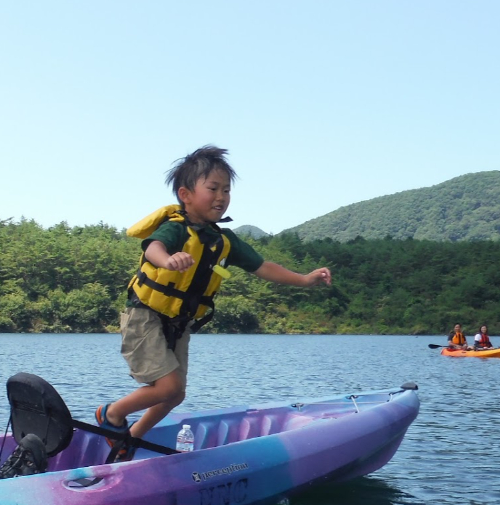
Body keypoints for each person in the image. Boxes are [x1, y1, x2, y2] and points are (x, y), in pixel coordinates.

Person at [95, 146, 332, 461]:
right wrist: (168, 260)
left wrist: (304, 279)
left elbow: (263, 267)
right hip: (145, 317)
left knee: (175, 394)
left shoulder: (224, 241)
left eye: (226, 190)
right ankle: (111, 414)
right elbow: (153, 248)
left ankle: (130, 439)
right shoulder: (175, 228)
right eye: (213, 189)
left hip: (178, 324)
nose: (221, 197)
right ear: (186, 194)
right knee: (167, 388)